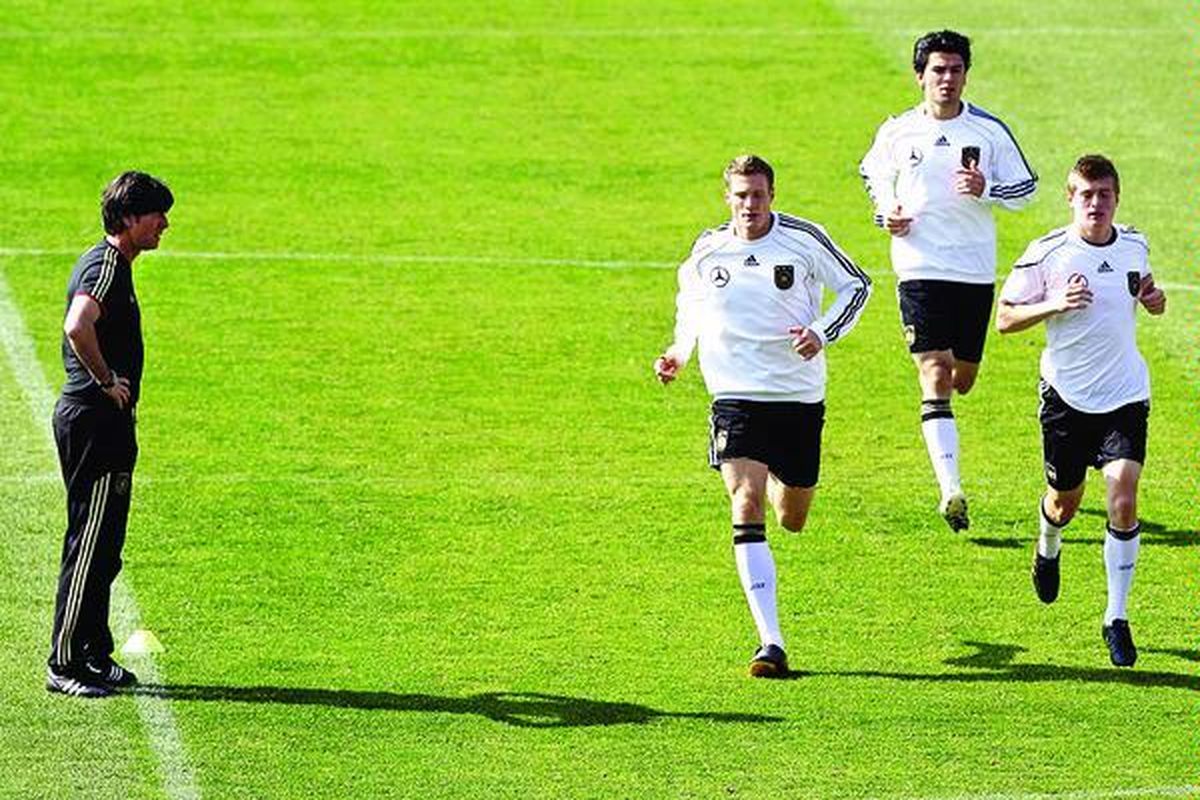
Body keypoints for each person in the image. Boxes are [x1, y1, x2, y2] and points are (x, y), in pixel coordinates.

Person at [654, 154, 871, 678]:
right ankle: (770, 642)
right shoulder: (709, 250)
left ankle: (778, 475)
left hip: (797, 396)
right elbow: (692, 308)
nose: (750, 205)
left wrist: (821, 332)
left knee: (792, 517)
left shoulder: (803, 239)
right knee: (743, 500)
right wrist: (679, 353)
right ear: (726, 196)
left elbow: (857, 286)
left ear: (772, 195)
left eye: (758, 194)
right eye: (740, 195)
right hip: (735, 393)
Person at [859, 29, 1038, 531]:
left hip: (973, 270)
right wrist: (885, 213)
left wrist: (987, 188)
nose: (947, 79)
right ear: (920, 76)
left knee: (963, 378)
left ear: (965, 75)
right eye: (937, 70)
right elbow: (872, 175)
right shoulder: (897, 132)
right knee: (934, 373)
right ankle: (951, 489)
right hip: (918, 266)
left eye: (955, 70)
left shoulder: (988, 131)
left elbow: (1026, 187)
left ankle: (949, 452)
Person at [996, 154, 1164, 668]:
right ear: (1070, 198)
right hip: (1067, 399)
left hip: (1125, 394)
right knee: (1065, 502)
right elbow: (1004, 319)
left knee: (1123, 496)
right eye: (1086, 195)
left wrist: (1153, 299)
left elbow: (1144, 287)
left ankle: (1116, 617)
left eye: (1105, 195)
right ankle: (1048, 540)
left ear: (1117, 198)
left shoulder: (1134, 243)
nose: (1096, 204)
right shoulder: (1048, 253)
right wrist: (1054, 305)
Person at [46, 171, 173, 697]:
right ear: (126, 219)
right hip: (94, 424)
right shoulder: (104, 265)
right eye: (155, 215)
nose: (164, 224)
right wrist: (106, 380)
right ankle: (66, 663)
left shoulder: (118, 266)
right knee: (90, 544)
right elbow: (79, 324)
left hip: (108, 426)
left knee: (107, 546)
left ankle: (94, 655)